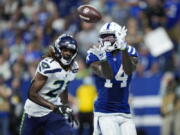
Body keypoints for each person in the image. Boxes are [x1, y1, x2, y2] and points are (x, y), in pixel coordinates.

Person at [20, 34, 79, 135]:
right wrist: (54, 107)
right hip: (33, 112)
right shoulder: (49, 65)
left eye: (71, 51)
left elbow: (63, 87)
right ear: (58, 49)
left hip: (51, 114)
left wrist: (66, 107)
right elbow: (31, 94)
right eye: (65, 50)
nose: (68, 53)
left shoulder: (73, 67)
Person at [86, 22, 138, 135]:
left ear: (118, 36)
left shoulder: (129, 51)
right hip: (105, 113)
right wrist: (104, 59)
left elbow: (129, 70)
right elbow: (108, 76)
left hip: (125, 112)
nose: (105, 40)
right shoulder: (95, 54)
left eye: (109, 36)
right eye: (103, 37)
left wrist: (123, 48)